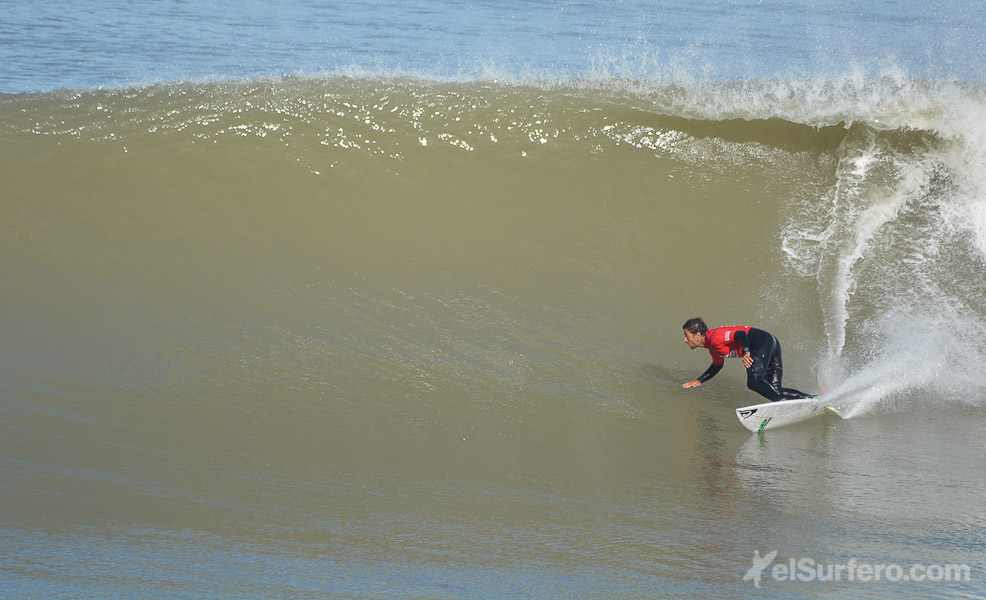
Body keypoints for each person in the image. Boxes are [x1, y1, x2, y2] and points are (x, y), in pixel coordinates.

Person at [681, 317, 814, 402]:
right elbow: (717, 366)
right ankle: (814, 400)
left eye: (687, 336)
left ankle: (780, 401)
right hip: (771, 342)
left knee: (754, 381)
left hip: (761, 341)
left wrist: (746, 352)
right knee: (774, 389)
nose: (685, 340)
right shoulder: (713, 349)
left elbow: (741, 334)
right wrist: (699, 380)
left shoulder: (715, 337)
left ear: (698, 335)